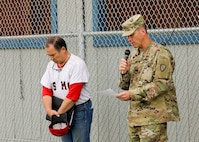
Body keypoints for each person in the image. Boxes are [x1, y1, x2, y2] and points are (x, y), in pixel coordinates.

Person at [116, 14, 180, 142]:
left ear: (142, 31)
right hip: (135, 118)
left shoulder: (160, 53)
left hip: (153, 119)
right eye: (127, 36)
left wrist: (132, 94)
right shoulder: (134, 56)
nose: (129, 39)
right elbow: (125, 85)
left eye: (131, 35)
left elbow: (161, 85)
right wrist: (124, 72)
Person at [40, 36, 93, 142]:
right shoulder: (51, 65)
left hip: (79, 109)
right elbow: (46, 89)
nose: (51, 58)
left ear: (63, 49)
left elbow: (73, 95)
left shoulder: (77, 64)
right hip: (62, 109)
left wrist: (58, 114)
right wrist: (50, 111)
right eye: (49, 55)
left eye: (53, 54)